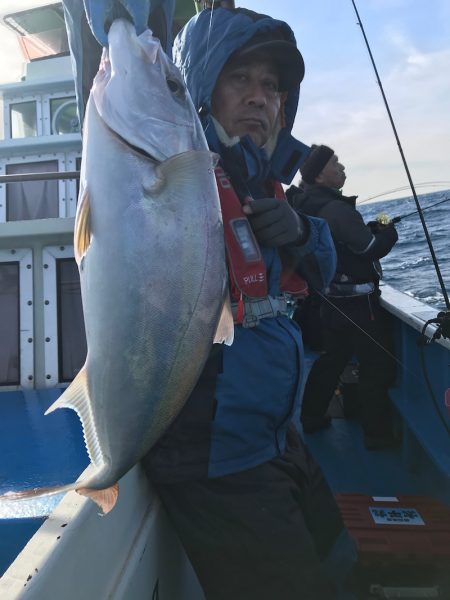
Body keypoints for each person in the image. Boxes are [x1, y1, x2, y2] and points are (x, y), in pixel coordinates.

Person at [142, 8, 358, 600]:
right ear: (203, 88)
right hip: (219, 461)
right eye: (241, 78)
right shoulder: (175, 179)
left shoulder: (263, 183)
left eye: (272, 86)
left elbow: (325, 268)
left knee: (342, 567)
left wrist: (299, 230)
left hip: (278, 438)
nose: (260, 97)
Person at [286, 145, 399, 449]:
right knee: (376, 367)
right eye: (336, 163)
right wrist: (387, 230)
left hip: (330, 304)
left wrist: (373, 228)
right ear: (321, 174)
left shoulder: (304, 205)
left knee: (331, 360)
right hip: (361, 308)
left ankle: (310, 417)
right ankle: (378, 436)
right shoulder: (336, 209)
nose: (343, 167)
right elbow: (368, 248)